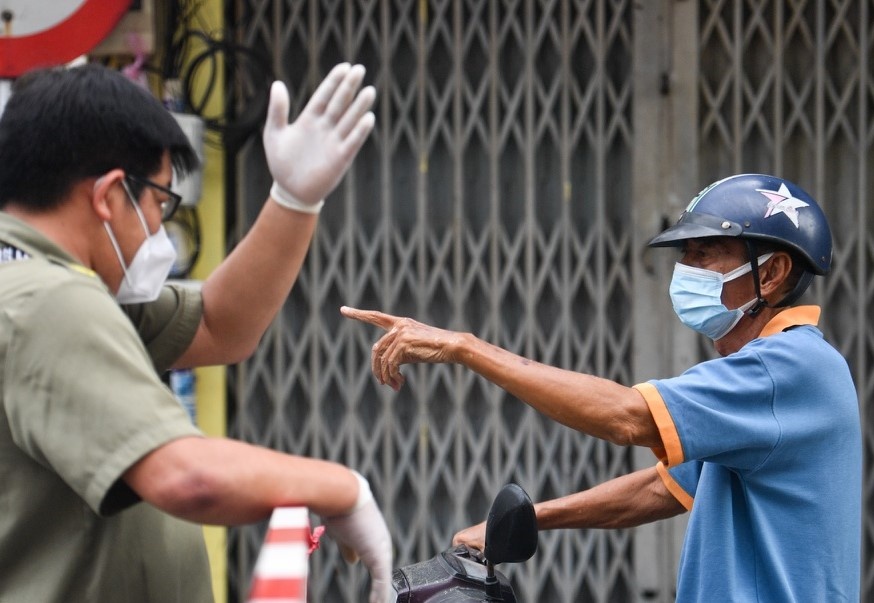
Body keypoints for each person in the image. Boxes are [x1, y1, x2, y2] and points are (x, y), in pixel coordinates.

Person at [341, 173, 861, 601]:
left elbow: (625, 417)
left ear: (771, 274)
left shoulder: (789, 368)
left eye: (707, 253)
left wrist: (464, 347)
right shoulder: (767, 380)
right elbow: (663, 488)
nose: (686, 270)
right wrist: (527, 522)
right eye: (685, 255)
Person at [0, 62, 392, 602]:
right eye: (160, 203)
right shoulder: (47, 302)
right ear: (111, 196)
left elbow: (217, 324)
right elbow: (186, 477)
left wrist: (293, 201)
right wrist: (344, 488)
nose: (160, 229)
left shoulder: (34, 283)